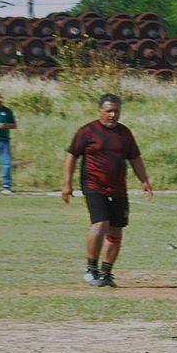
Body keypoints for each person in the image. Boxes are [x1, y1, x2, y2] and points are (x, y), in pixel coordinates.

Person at [62, 94, 153, 288]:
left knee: (116, 229)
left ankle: (106, 272)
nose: (112, 115)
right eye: (109, 111)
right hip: (94, 186)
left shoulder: (125, 133)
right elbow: (72, 156)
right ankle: (91, 269)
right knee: (100, 224)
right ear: (100, 111)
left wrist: (144, 180)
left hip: (118, 189)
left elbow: (135, 158)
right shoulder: (87, 132)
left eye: (116, 111)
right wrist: (66, 183)